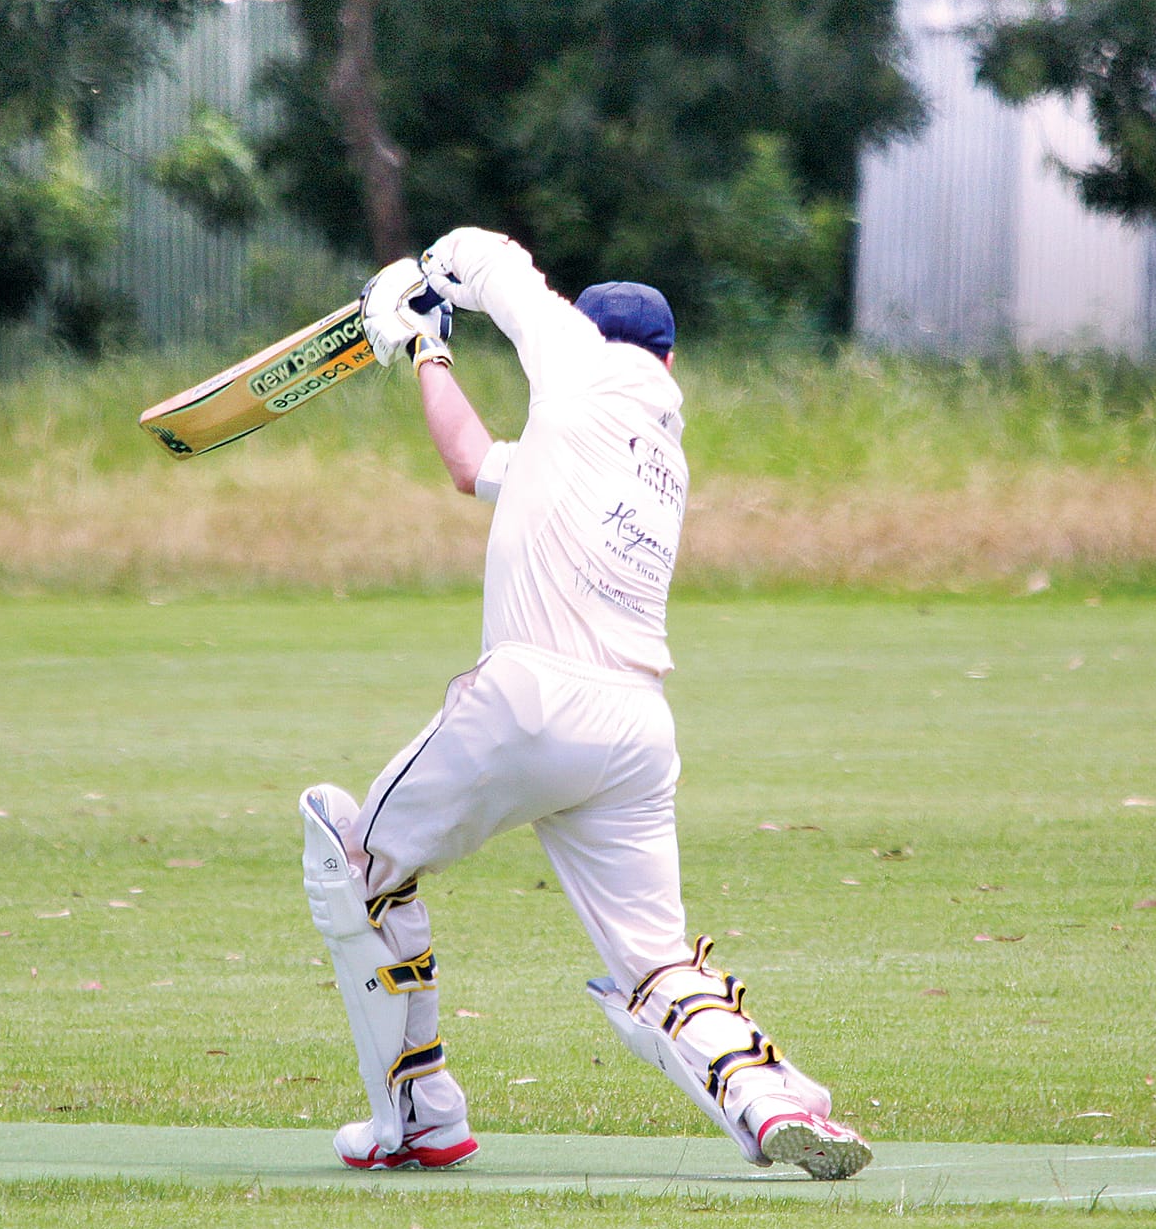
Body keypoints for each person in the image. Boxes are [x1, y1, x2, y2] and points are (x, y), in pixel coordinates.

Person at [297, 228, 870, 1180]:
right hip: (633, 734)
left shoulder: (582, 367)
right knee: (657, 960)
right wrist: (428, 347)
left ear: (593, 337)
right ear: (671, 361)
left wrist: (423, 275)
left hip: (530, 700)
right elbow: (471, 461)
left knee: (353, 867)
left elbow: (493, 260)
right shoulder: (650, 454)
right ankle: (769, 1102)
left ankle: (417, 1117)